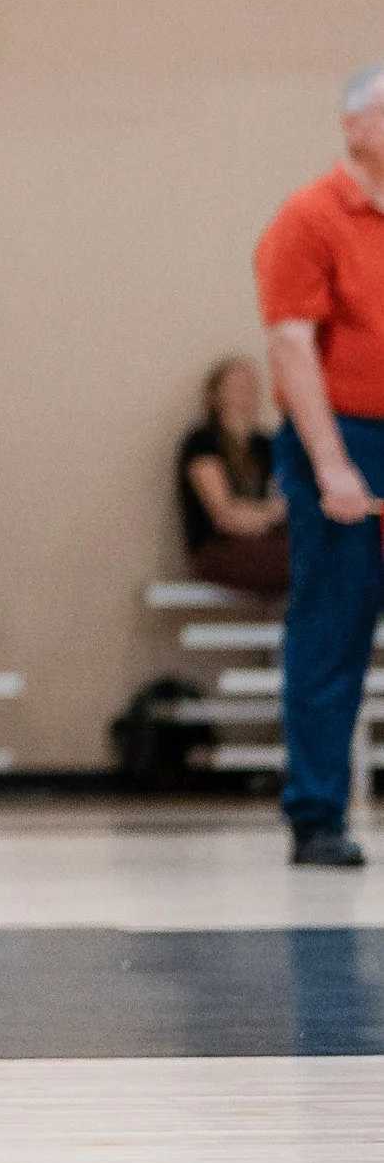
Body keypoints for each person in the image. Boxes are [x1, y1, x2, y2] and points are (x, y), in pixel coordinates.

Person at [254, 68, 384, 867]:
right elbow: (291, 342)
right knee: (333, 629)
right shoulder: (311, 217)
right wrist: (333, 464)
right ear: (355, 127)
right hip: (346, 437)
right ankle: (316, 813)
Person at [177, 358, 289, 601]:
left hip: (266, 542)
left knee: (332, 552)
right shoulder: (203, 443)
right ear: (215, 395)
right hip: (218, 548)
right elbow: (225, 516)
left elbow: (285, 503)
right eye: (239, 385)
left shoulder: (266, 446)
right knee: (313, 561)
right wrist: (270, 514)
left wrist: (265, 515)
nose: (248, 391)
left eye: (253, 384)